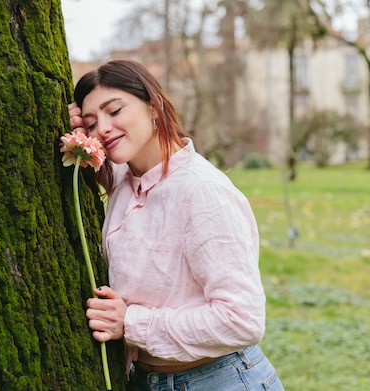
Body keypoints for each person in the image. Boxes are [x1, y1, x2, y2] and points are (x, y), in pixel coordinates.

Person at [68, 59, 284, 391]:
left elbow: (242, 320)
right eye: (93, 122)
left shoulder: (201, 191)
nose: (104, 129)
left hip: (217, 380)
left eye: (115, 111)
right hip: (147, 381)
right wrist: (81, 143)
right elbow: (105, 173)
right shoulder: (126, 180)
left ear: (153, 107)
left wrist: (130, 322)